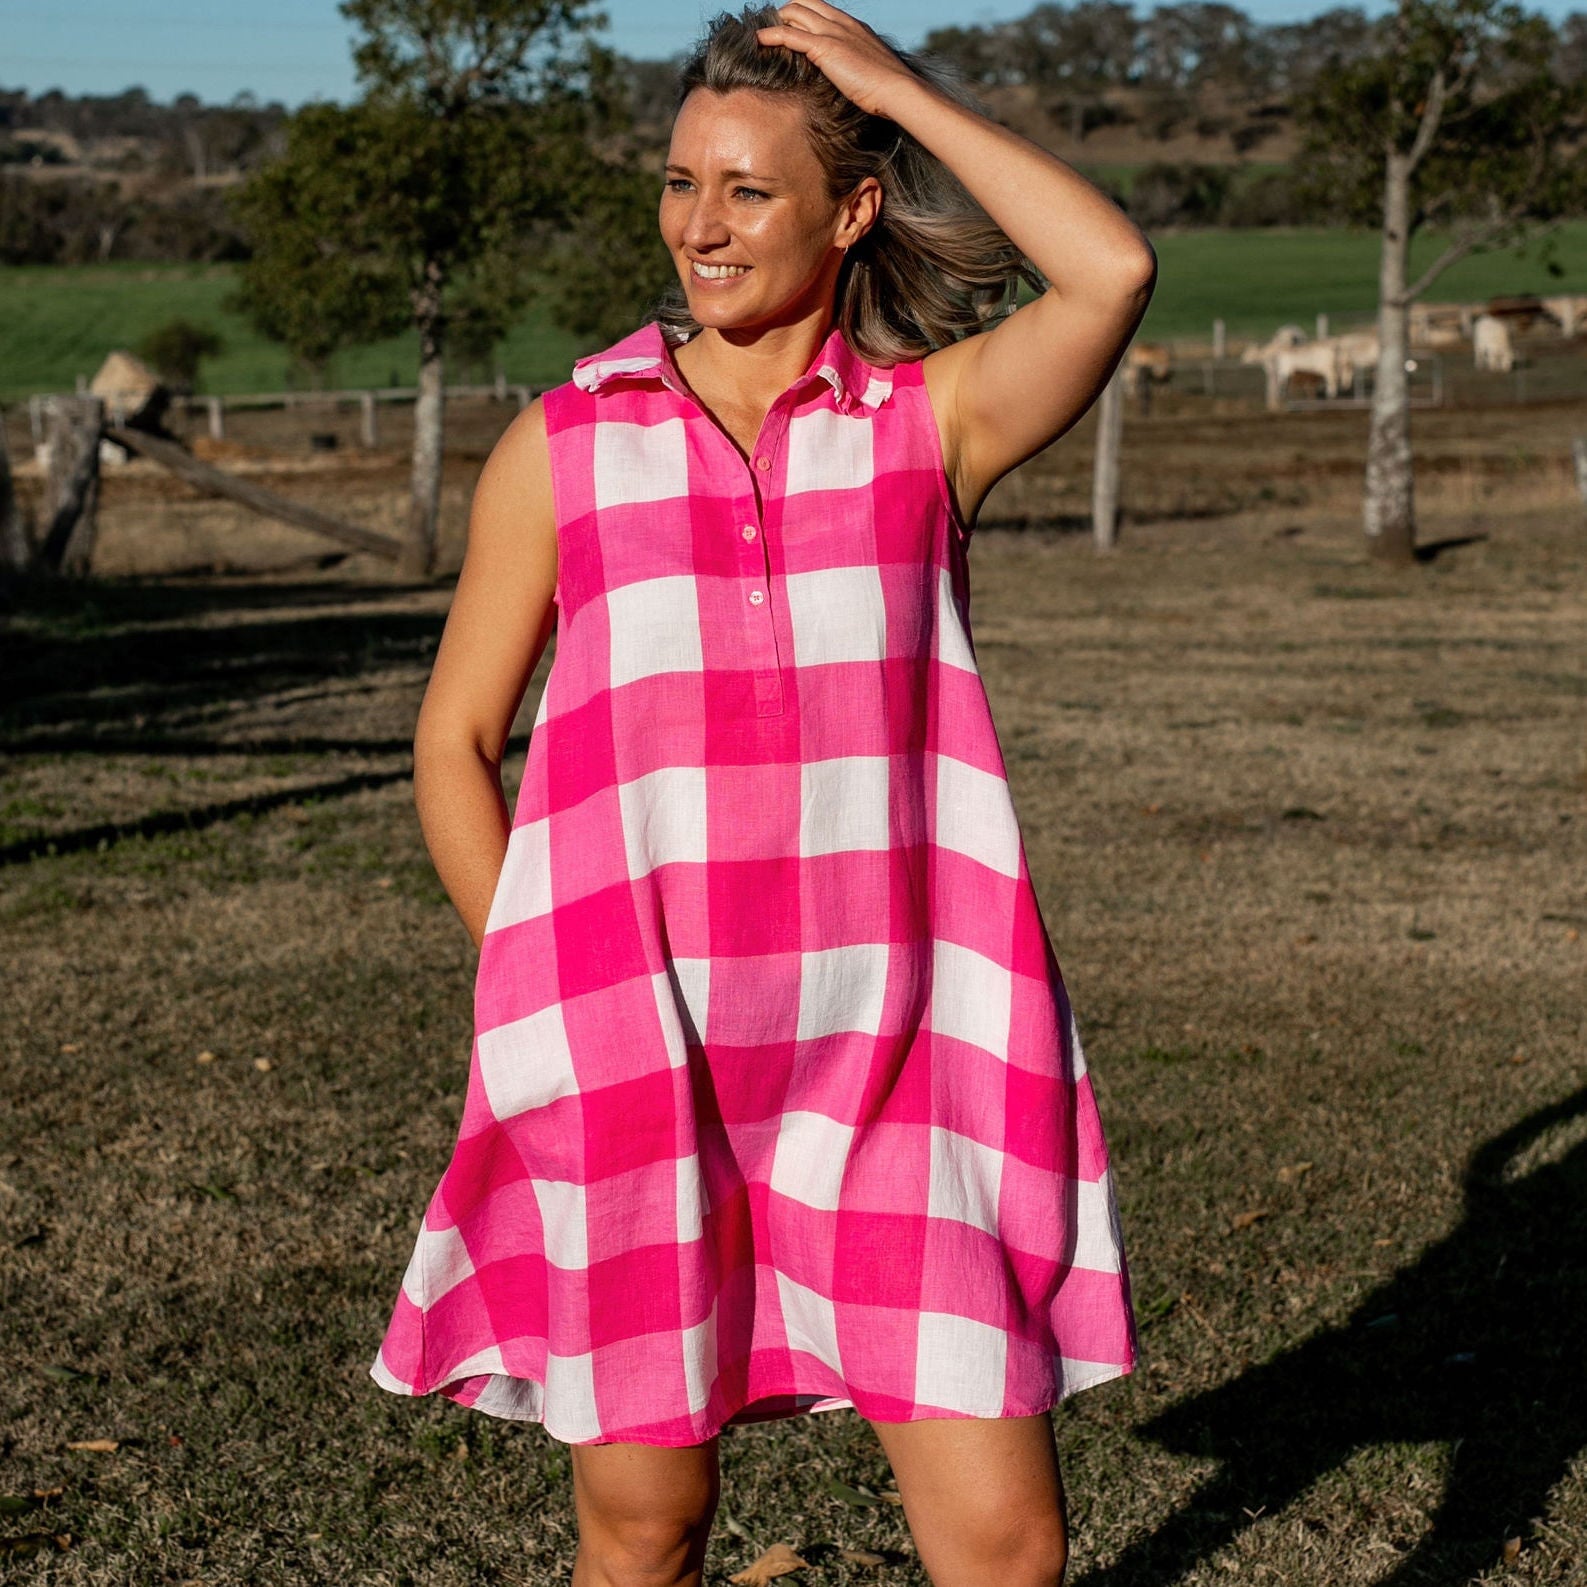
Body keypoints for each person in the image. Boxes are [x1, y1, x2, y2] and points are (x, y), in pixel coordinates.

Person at [371, 3, 1157, 1583]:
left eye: (745, 189)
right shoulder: (570, 441)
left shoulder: (928, 429)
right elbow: (453, 743)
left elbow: (1112, 271)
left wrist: (890, 87)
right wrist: (545, 977)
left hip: (904, 1061)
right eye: (679, 183)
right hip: (640, 1060)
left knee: (1004, 1543)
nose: (699, 227)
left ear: (849, 207)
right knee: (648, 1525)